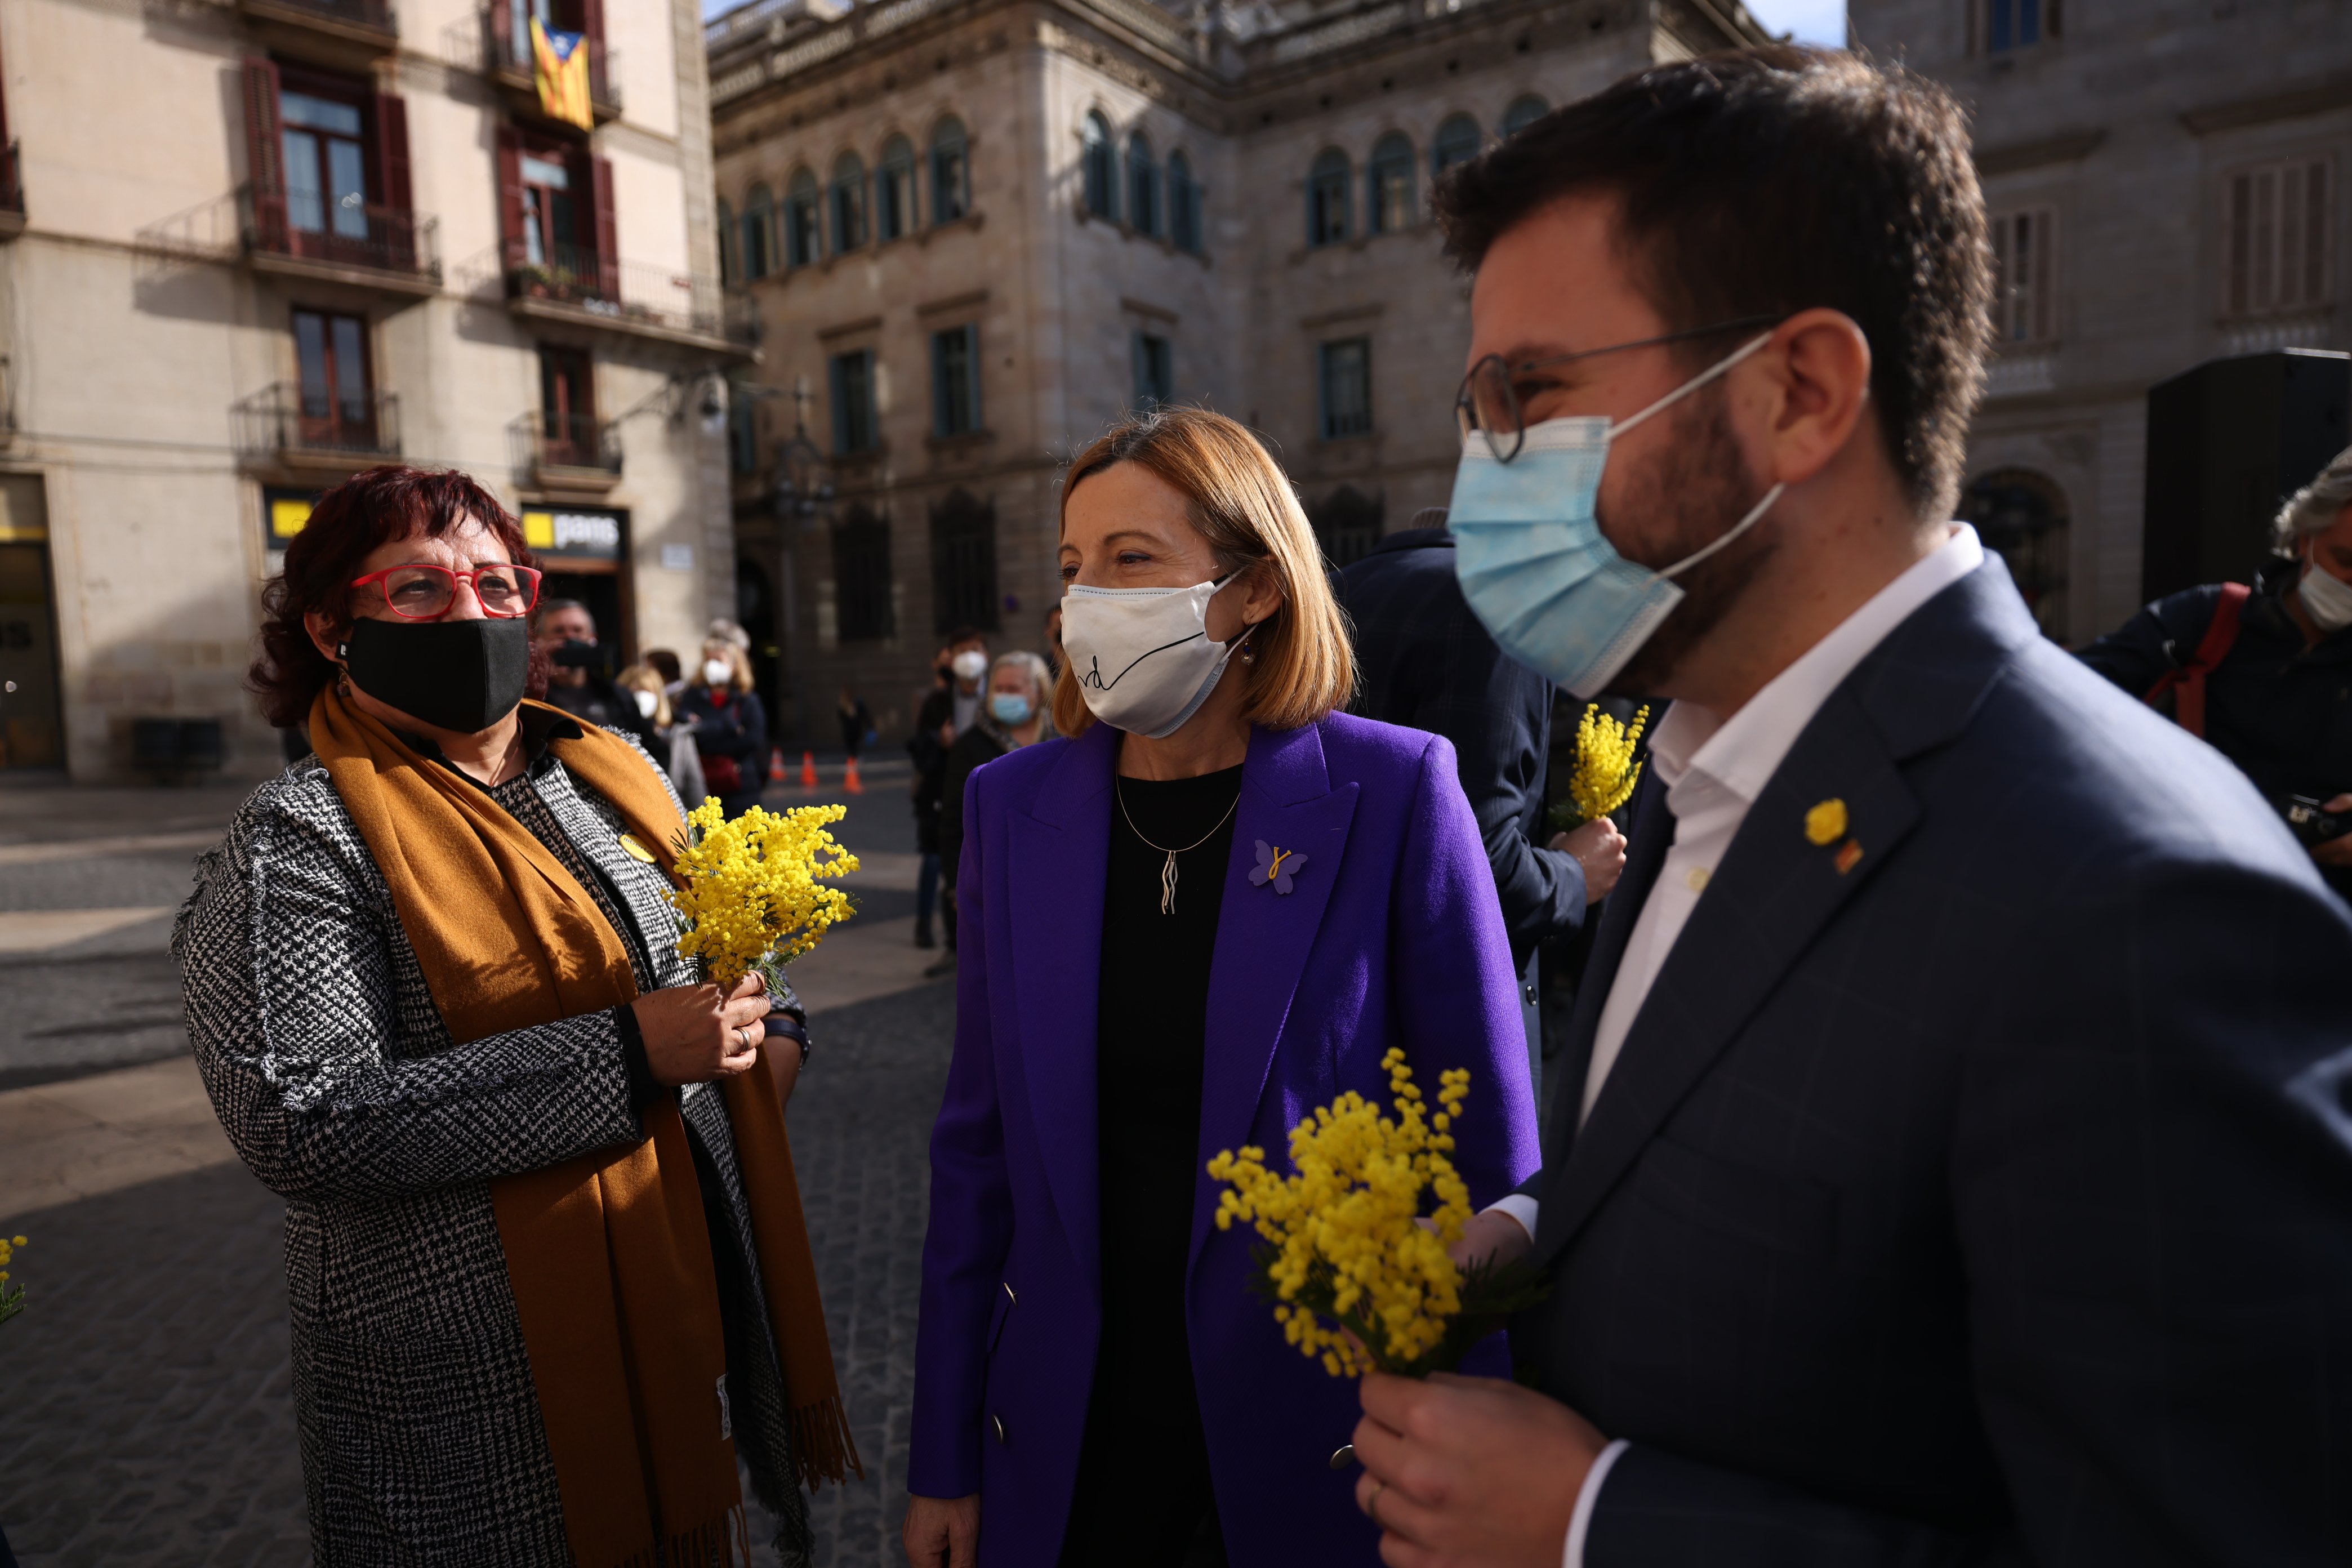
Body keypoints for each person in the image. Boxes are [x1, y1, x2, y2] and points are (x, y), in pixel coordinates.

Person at [1340, 48, 2352, 1567]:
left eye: (1528, 395)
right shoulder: (1705, 770)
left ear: (1799, 395)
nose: (1481, 465)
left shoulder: (2137, 903)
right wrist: (1534, 1231)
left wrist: (1598, 1526)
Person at [176, 465, 854, 1565]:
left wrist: (773, 1038)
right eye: (418, 590)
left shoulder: (613, 777)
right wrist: (629, 1055)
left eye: (497, 584)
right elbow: (298, 1115)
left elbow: (741, 959)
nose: (470, 612)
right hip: (470, 1387)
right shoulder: (298, 839)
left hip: (682, 1308)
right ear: (330, 624)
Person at [902, 408, 1539, 1568]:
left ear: (1253, 590)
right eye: (1071, 567)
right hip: (1071, 1436)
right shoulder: (1013, 808)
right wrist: (943, 1452)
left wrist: (1475, 1459)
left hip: (1323, 1441)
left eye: (1130, 561)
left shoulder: (1397, 792)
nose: (1085, 598)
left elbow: (1489, 1167)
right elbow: (976, 1155)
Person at [1339, 518, 1628, 1115]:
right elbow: (1473, 866)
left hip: (1329, 1017)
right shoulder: (1496, 611)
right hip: (1447, 1040)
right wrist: (1575, 872)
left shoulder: (1337, 589)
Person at [2079, 447, 2352, 901]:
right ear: (2305, 537)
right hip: (2174, 904)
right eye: (2347, 561)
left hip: (2321, 928)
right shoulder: (2201, 620)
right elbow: (2067, 707)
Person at [930, 651, 1055, 978]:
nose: (1004, 696)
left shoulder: (1065, 738)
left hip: (1055, 878)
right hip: (995, 881)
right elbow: (952, 824)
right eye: (998, 689)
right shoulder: (970, 747)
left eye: (1014, 689)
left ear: (1039, 691)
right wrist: (956, 886)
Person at [911, 627, 988, 951]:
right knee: (945, 860)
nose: (969, 656)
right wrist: (939, 743)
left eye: (975, 648)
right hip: (947, 791)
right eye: (962, 650)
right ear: (951, 659)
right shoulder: (938, 702)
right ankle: (949, 938)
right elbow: (918, 747)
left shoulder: (997, 693)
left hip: (988, 788)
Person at [533, 598, 654, 751]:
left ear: (593, 639)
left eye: (578, 630)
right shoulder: (532, 697)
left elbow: (651, 746)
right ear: (540, 641)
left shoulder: (617, 696)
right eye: (559, 632)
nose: (570, 638)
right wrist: (538, 671)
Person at [676, 639, 768, 819]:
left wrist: (708, 732)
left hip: (740, 786)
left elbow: (753, 739)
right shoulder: (693, 696)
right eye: (708, 660)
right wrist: (731, 731)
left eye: (718, 660)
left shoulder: (747, 699)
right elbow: (690, 734)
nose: (712, 665)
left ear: (734, 666)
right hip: (704, 784)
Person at [618, 660, 707, 807]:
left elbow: (694, 784)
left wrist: (705, 825)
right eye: (634, 692)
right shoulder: (616, 733)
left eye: (647, 691)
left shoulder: (678, 734)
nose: (641, 697)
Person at [837, 684, 875, 760]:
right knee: (852, 748)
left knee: (852, 748)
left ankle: (853, 759)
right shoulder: (845, 705)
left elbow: (864, 715)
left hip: (853, 730)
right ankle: (853, 759)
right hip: (851, 730)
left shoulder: (856, 704)